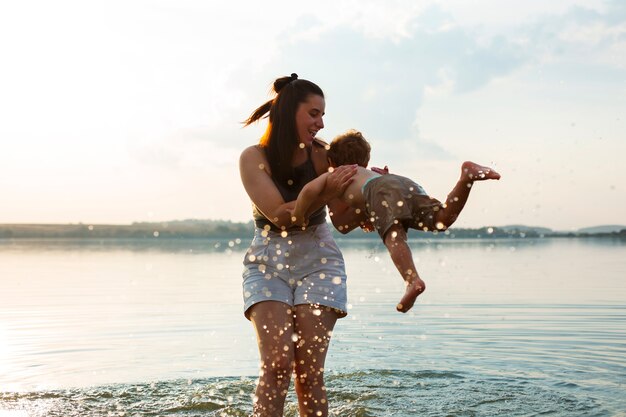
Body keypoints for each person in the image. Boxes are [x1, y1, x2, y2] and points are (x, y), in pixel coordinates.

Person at [239, 74, 360, 417]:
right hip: (266, 262)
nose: (321, 124)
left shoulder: (324, 157)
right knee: (277, 365)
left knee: (308, 374)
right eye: (314, 114)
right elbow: (280, 216)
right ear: (290, 112)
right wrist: (321, 189)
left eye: (322, 115)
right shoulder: (253, 158)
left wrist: (365, 191)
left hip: (320, 261)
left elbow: (344, 222)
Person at [290, 129, 501, 313]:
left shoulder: (337, 176)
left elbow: (337, 220)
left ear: (331, 161)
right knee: (442, 219)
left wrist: (299, 215)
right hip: (402, 182)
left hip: (381, 190)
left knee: (394, 236)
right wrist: (370, 211)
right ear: (366, 159)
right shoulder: (369, 173)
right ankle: (466, 178)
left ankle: (412, 280)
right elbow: (368, 207)